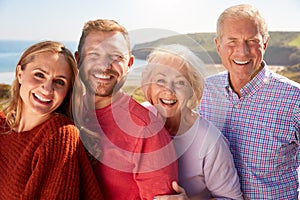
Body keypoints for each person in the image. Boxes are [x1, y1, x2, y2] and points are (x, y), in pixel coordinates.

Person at [198, 4, 300, 199]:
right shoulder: (205, 91)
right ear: (218, 45)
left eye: (251, 41)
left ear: (265, 43)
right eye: (232, 41)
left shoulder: (295, 99)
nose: (242, 52)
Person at [73, 19, 178, 200]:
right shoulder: (64, 113)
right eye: (93, 54)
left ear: (129, 64)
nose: (105, 66)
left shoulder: (147, 130)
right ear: (78, 59)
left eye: (116, 57)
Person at [0, 41, 103, 199]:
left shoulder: (60, 135)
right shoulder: (2, 124)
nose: (47, 89)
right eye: (39, 75)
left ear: (67, 92)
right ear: (20, 74)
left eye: (59, 82)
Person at [141, 44, 243, 200]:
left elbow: (233, 199)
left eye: (180, 82)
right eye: (160, 80)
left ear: (192, 90)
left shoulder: (210, 141)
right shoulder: (140, 117)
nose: (169, 90)